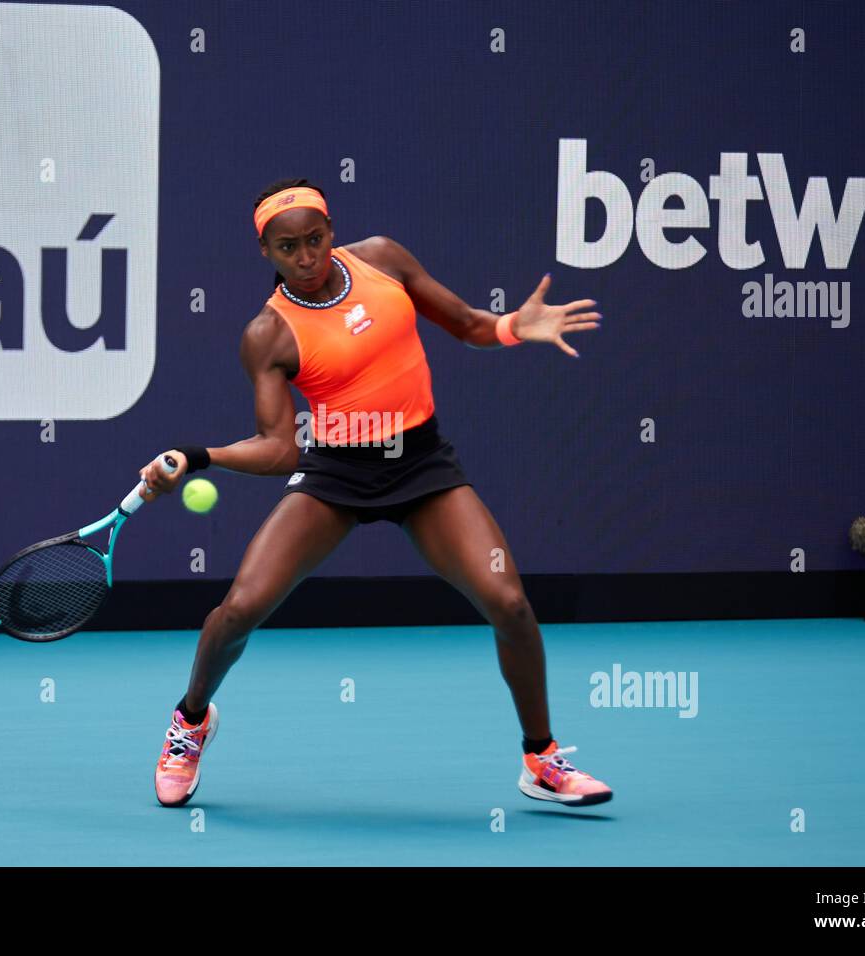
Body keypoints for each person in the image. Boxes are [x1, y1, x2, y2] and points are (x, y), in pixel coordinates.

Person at [140, 178, 610, 808]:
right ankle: (191, 721)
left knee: (509, 602)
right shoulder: (268, 335)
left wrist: (512, 328)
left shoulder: (383, 260)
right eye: (287, 248)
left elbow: (468, 323)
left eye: (314, 239)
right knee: (239, 609)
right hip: (335, 474)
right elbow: (280, 448)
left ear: (331, 231)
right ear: (265, 252)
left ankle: (542, 758)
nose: (305, 257)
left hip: (422, 467)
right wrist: (198, 457)